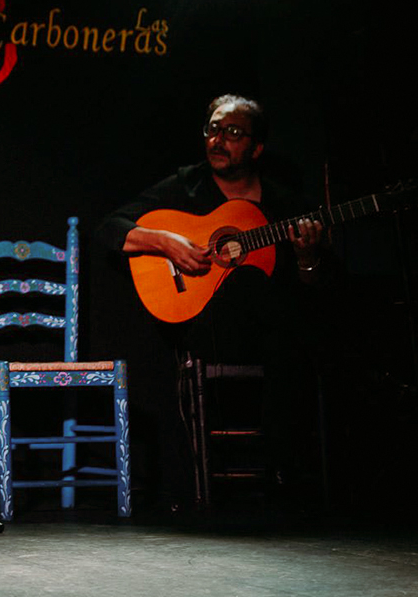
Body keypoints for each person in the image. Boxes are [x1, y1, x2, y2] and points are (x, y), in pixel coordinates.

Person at [95, 94, 323, 512]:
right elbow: (111, 228)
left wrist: (307, 261)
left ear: (256, 148)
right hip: (207, 327)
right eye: (213, 130)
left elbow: (308, 288)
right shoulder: (188, 185)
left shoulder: (283, 206)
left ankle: (282, 473)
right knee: (254, 287)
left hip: (270, 334)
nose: (218, 140)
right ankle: (281, 472)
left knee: (288, 332)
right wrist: (167, 241)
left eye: (233, 133)